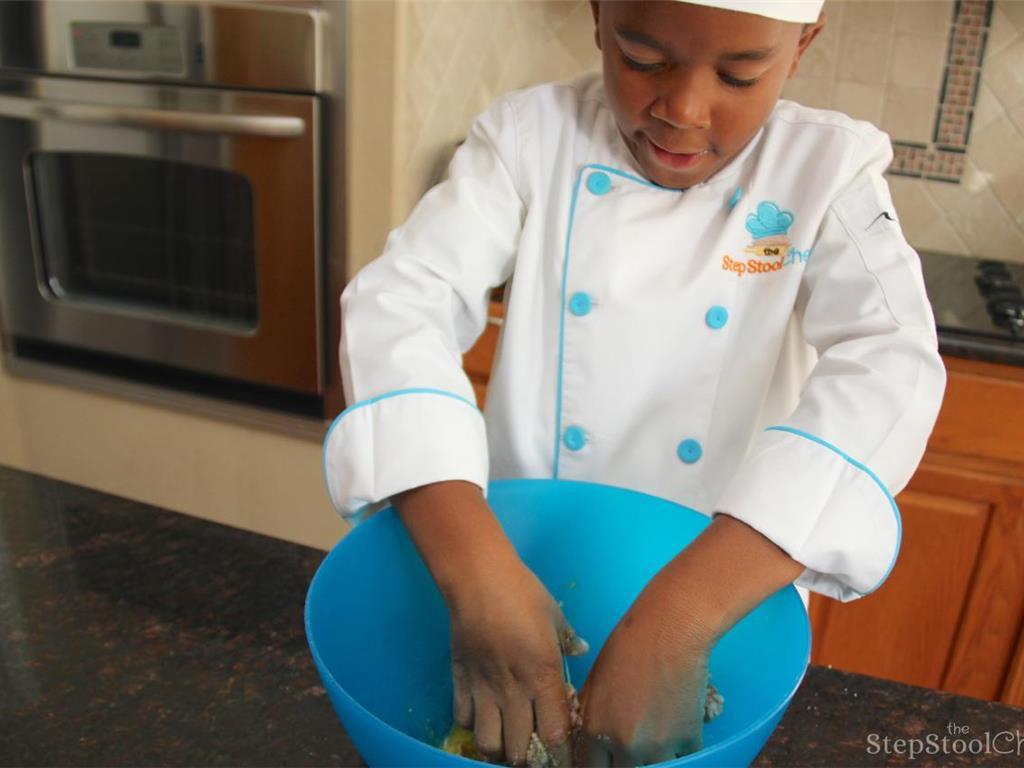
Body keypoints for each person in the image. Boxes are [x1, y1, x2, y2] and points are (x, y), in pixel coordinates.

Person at [322, 0, 947, 765]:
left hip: (723, 610)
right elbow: (399, 302)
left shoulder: (826, 172)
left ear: (802, 47)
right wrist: (476, 573)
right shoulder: (529, 140)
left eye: (740, 73)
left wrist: (679, 621)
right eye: (643, 60)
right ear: (596, 17)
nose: (682, 110)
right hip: (518, 571)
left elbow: (893, 360)